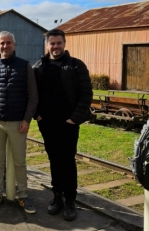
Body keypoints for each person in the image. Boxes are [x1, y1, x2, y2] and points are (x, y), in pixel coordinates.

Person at [33, 29, 93, 221]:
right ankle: (56, 196)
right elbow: (32, 93)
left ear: (64, 43)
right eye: (52, 43)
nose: (55, 46)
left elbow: (86, 94)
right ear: (47, 45)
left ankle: (70, 200)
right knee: (54, 159)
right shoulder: (39, 66)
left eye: (59, 43)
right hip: (47, 123)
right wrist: (37, 115)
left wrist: (75, 118)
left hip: (68, 123)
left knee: (67, 160)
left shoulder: (76, 65)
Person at [0, 31, 38, 214]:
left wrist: (27, 119)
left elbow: (33, 96)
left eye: (8, 43)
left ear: (14, 45)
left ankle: (23, 195)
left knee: (19, 161)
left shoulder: (25, 66)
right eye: (2, 43)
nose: (5, 46)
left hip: (17, 124)